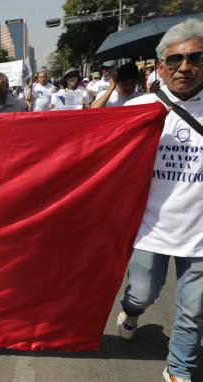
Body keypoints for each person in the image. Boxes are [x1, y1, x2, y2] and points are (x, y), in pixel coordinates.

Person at [117, 18, 203, 382]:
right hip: (151, 229)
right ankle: (132, 309)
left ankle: (178, 371)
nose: (185, 66)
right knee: (142, 292)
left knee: (193, 312)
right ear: (159, 68)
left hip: (199, 235)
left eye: (196, 57)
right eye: (175, 60)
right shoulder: (136, 111)